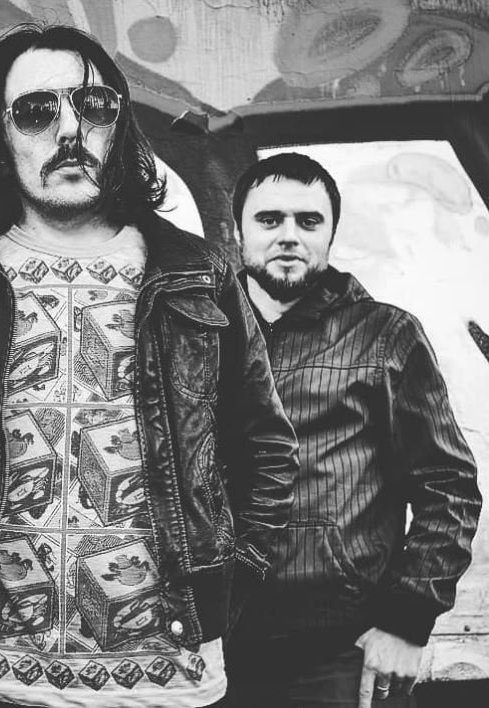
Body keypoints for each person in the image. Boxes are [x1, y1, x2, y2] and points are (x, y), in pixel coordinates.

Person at [0, 23, 299, 708]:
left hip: (166, 672)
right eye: (36, 110)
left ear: (118, 124)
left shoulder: (194, 269)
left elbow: (265, 443)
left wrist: (235, 575)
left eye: (94, 105)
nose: (70, 129)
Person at [225, 152, 482, 707]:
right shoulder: (200, 333)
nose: (289, 235)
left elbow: (449, 486)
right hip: (207, 652)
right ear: (237, 231)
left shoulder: (384, 336)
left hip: (340, 655)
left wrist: (408, 620)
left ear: (330, 233)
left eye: (308, 221)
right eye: (269, 219)